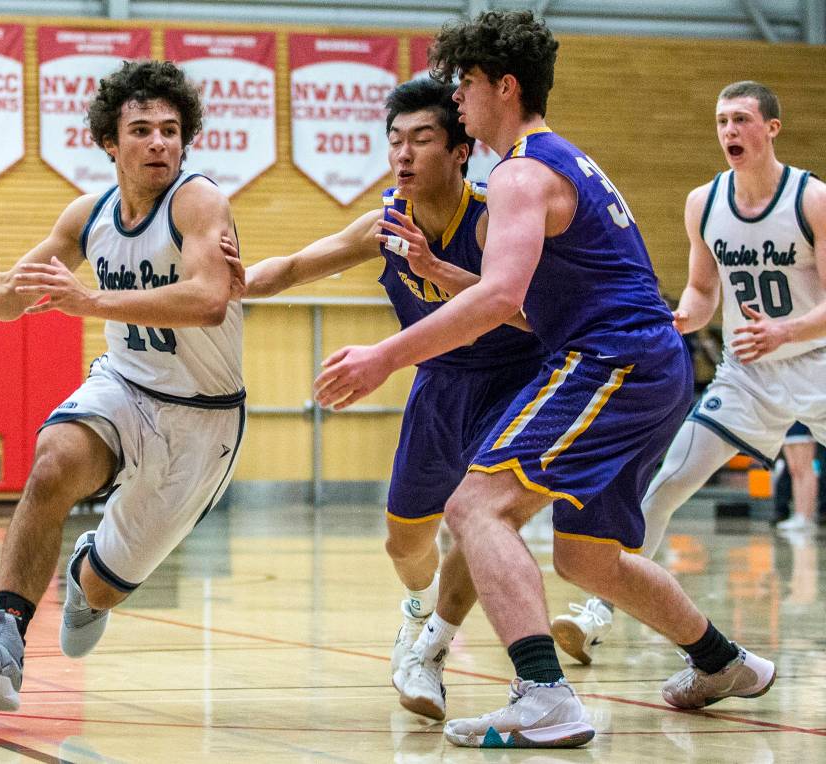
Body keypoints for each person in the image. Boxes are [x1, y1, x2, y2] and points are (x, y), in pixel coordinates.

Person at [311, 11, 776, 749]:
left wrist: (385, 356)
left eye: (466, 83)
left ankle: (544, 696)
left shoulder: (521, 173)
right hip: (649, 364)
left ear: (505, 86)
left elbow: (498, 302)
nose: (456, 97)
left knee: (476, 506)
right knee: (586, 555)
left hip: (612, 361)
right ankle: (724, 663)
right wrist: (440, 274)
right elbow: (526, 301)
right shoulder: (562, 161)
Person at [0, 60, 245, 711]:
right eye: (142, 130)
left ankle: (87, 580)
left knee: (104, 587)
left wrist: (93, 302)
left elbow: (209, 300)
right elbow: (7, 298)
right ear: (110, 142)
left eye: (170, 130)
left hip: (203, 416)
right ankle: (3, 646)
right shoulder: (89, 216)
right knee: (51, 463)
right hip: (125, 386)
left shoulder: (198, 202)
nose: (159, 143)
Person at [222, 78, 544, 721]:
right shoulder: (385, 224)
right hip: (440, 384)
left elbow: (533, 314)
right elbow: (294, 266)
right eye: (395, 140)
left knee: (478, 516)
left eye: (421, 139)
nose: (403, 153)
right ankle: (418, 612)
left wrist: (437, 269)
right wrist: (231, 284)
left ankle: (432, 651)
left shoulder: (492, 217)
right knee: (404, 544)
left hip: (516, 382)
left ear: (460, 151)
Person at [554, 79, 826, 662]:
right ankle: (598, 611)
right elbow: (703, 290)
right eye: (722, 121)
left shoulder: (812, 199)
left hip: (818, 363)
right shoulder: (705, 202)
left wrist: (785, 331)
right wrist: (681, 318)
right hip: (749, 375)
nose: (729, 130)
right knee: (666, 483)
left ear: (772, 128)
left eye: (742, 119)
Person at [773, 423, 824, 531]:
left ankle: (806, 515)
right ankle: (799, 513)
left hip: (801, 422)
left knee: (805, 468)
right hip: (785, 423)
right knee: (794, 470)